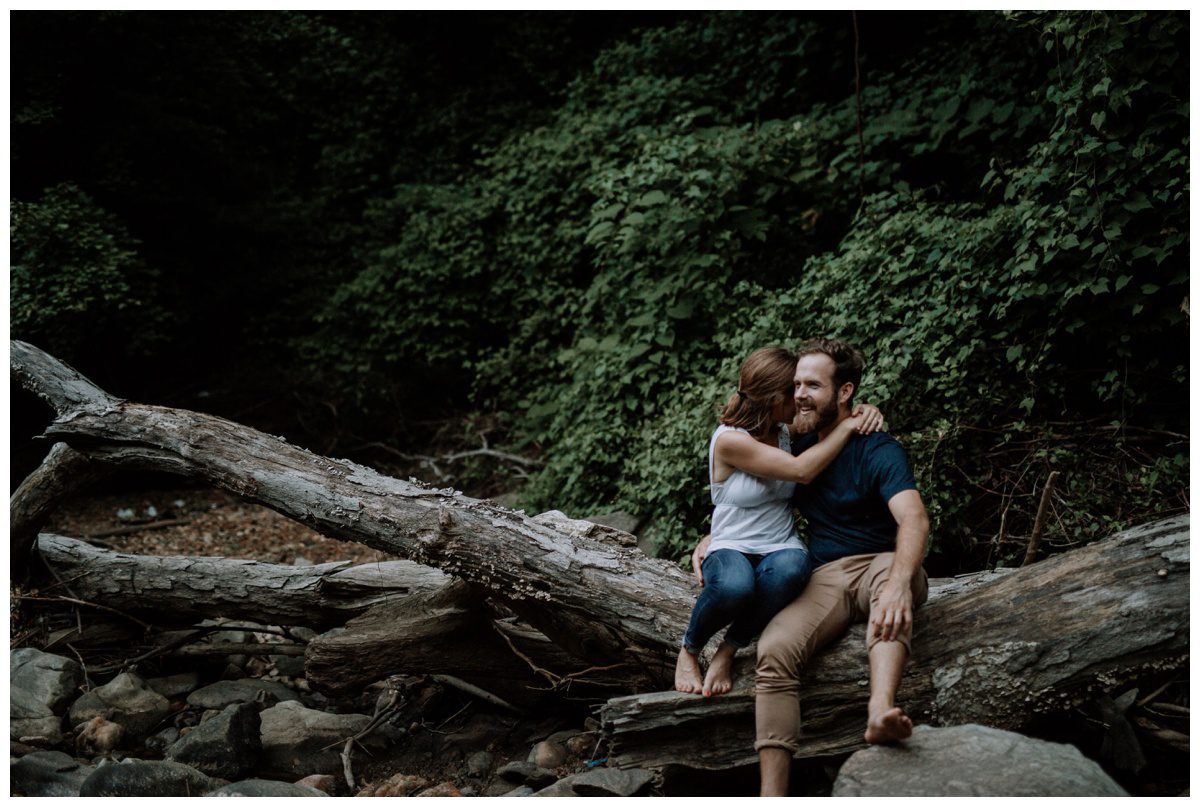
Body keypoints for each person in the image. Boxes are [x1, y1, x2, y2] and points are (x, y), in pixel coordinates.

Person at [692, 338, 930, 796]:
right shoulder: (793, 442)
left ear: (844, 393)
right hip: (825, 573)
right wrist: (712, 538)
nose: (799, 394)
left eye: (812, 385)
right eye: (796, 384)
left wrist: (902, 581)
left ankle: (880, 713)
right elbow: (749, 500)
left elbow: (914, 518)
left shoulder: (877, 448)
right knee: (775, 649)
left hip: (883, 564)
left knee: (888, 606)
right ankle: (772, 796)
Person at [676, 346, 883, 697]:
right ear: (775, 397)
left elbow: (829, 415)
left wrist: (863, 410)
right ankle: (689, 648)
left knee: (792, 569)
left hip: (779, 544)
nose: (801, 398)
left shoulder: (787, 430)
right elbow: (801, 471)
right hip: (732, 545)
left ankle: (728, 649)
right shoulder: (729, 440)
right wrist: (848, 428)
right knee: (734, 586)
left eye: (805, 388)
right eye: (794, 390)